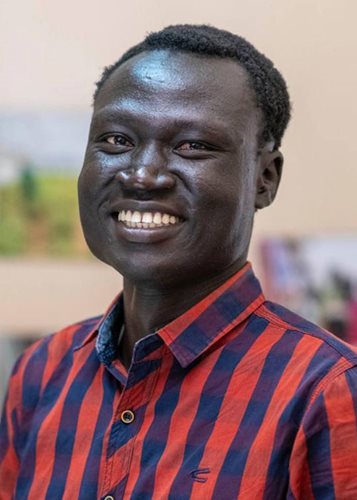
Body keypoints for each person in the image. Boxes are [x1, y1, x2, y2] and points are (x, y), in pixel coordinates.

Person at [1, 24, 357, 500]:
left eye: (192, 145)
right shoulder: (43, 372)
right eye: (115, 140)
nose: (143, 174)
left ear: (265, 179)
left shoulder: (327, 392)